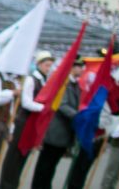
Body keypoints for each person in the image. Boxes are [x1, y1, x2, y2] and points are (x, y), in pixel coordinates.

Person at [0, 50, 55, 189]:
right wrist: (44, 108)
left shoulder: (43, 81)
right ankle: (6, 185)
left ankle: (13, 184)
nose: (49, 68)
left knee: (22, 158)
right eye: (47, 65)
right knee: (14, 157)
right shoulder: (31, 80)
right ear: (39, 64)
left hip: (32, 124)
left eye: (50, 66)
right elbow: (26, 102)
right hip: (23, 123)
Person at [30, 58, 81, 189]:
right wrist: (78, 116)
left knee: (51, 165)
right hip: (55, 132)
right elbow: (62, 105)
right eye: (79, 66)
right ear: (72, 67)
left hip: (64, 134)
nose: (81, 69)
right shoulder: (65, 83)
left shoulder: (75, 85)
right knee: (45, 166)